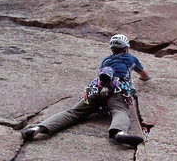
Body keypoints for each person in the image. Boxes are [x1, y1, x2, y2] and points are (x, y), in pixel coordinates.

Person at [21, 34, 150, 147]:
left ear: (112, 49)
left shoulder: (106, 60)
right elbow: (143, 74)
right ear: (126, 47)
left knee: (73, 112)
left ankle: (38, 128)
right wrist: (144, 78)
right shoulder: (131, 59)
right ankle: (120, 133)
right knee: (120, 111)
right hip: (117, 93)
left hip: (96, 92)